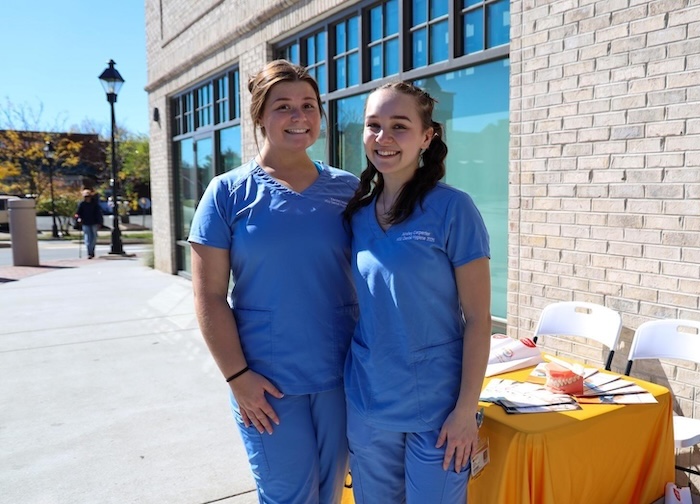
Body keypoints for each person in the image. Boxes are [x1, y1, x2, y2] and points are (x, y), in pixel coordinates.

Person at [188, 59, 360, 504]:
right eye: (283, 106)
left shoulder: (350, 191)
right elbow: (208, 296)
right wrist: (237, 377)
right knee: (287, 496)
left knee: (330, 495)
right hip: (266, 382)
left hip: (341, 375)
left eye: (309, 105)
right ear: (260, 116)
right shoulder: (227, 193)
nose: (299, 117)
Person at [343, 81, 492, 503]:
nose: (383, 138)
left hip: (438, 409)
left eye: (399, 126)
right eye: (374, 126)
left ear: (427, 137)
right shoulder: (355, 216)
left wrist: (466, 411)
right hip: (369, 402)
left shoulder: (453, 209)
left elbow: (479, 319)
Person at [74, 188, 104, 259]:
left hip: (94, 223)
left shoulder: (95, 204)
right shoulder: (82, 204)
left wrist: (100, 222)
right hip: (85, 223)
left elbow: (99, 213)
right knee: (87, 238)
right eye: (85, 196)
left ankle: (92, 251)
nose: (87, 198)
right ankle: (89, 253)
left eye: (88, 196)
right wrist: (78, 218)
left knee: (94, 238)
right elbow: (78, 213)